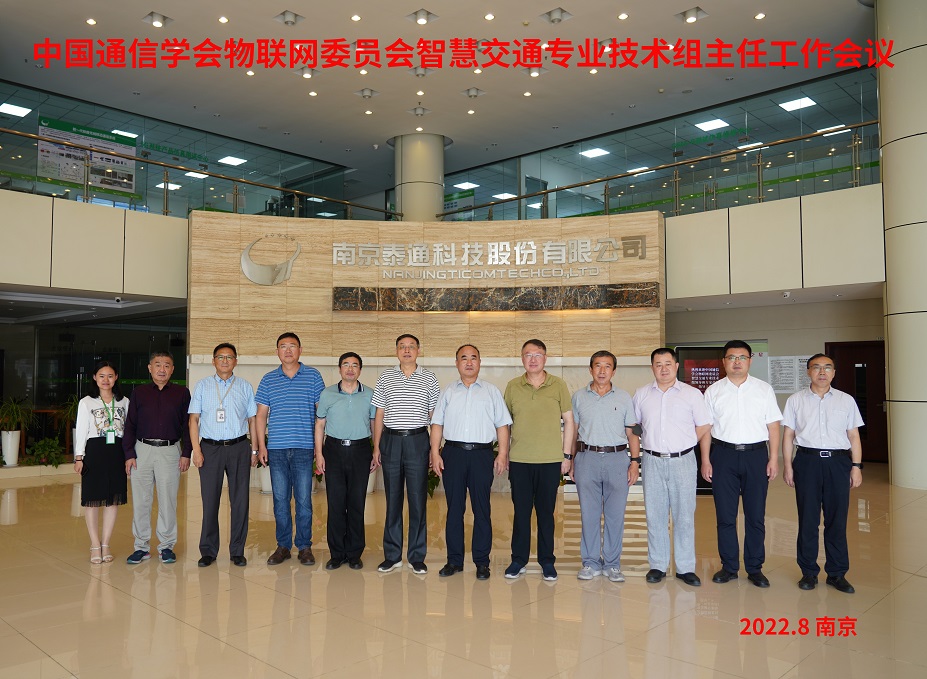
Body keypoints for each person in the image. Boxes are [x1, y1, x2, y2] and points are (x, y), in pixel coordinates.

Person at [700, 340, 782, 587]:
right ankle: (729, 567)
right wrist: (705, 460)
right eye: (732, 357)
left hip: (756, 456)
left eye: (742, 357)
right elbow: (706, 429)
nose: (737, 362)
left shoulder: (764, 389)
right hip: (723, 456)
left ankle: (755, 568)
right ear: (724, 361)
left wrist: (773, 458)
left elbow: (773, 426)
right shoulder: (713, 391)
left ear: (750, 361)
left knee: (755, 515)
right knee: (725, 516)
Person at [782, 353, 864, 593]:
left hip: (838, 463)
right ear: (808, 371)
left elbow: (853, 436)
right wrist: (788, 465)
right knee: (808, 520)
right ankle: (808, 572)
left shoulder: (846, 400)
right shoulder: (795, 400)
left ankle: (837, 574)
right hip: (806, 462)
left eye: (827, 368)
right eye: (816, 367)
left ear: (834, 373)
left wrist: (856, 466)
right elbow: (788, 435)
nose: (822, 372)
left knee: (837, 520)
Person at [430, 344, 512, 580]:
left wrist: (502, 453)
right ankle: (454, 561)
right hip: (453, 454)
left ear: (480, 362)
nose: (468, 362)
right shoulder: (448, 391)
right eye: (463, 358)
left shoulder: (491, 392)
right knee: (454, 509)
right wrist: (435, 452)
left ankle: (482, 562)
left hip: (481, 455)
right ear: (456, 363)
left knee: (482, 509)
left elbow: (502, 425)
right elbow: (437, 424)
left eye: (473, 358)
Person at [632, 348, 712, 587]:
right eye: (658, 364)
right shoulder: (642, 394)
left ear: (676, 366)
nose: (663, 368)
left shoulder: (692, 394)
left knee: (684, 516)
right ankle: (658, 565)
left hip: (683, 461)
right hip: (652, 460)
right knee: (655, 514)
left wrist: (686, 442)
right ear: (652, 368)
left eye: (668, 363)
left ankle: (685, 568)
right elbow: (634, 427)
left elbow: (704, 424)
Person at [503, 339, 575, 582]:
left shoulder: (558, 385)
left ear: (545, 358)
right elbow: (505, 424)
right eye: (528, 355)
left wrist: (566, 456)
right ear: (522, 358)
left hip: (550, 461)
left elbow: (569, 421)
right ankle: (518, 560)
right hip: (520, 461)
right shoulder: (513, 386)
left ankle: (547, 561)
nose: (533, 359)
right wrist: (504, 454)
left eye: (537, 354)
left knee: (546, 513)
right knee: (521, 513)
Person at [371, 334, 440, 574]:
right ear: (396, 351)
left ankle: (417, 556)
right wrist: (377, 446)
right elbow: (379, 414)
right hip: (390, 440)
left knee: (418, 499)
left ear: (418, 350)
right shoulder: (386, 377)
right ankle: (392, 556)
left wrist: (434, 449)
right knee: (392, 499)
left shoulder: (429, 377)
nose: (407, 350)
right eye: (402, 346)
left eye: (411, 346)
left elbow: (435, 417)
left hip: (418, 440)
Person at [256, 332, 325, 566]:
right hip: (276, 449)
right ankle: (283, 546)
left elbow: (321, 415)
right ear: (277, 351)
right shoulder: (268, 379)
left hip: (304, 448)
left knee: (304, 500)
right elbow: (261, 415)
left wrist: (318, 448)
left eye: (292, 346)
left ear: (300, 350)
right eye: (283, 346)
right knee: (280, 500)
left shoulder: (313, 376)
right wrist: (261, 446)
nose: (287, 350)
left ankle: (304, 546)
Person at [571, 350, 640, 583]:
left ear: (614, 371)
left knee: (615, 515)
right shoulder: (578, 397)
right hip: (586, 458)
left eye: (607, 366)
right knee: (588, 514)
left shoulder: (624, 397)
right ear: (590, 369)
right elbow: (573, 431)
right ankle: (590, 562)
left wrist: (634, 462)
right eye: (598, 366)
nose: (602, 371)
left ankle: (612, 564)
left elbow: (633, 432)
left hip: (617, 459)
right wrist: (571, 460)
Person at [188, 343, 258, 568]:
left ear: (236, 361)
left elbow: (252, 420)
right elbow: (193, 420)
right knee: (210, 501)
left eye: (229, 357)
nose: (225, 361)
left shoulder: (245, 386)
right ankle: (208, 550)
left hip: (239, 447)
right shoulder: (202, 386)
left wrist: (254, 450)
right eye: (221, 357)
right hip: (210, 449)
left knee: (240, 501)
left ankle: (237, 550)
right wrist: (196, 450)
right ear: (213, 361)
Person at [123, 351, 192, 564]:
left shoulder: (182, 393)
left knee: (168, 501)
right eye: (158, 364)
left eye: (167, 365)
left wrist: (186, 453)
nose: (162, 369)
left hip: (170, 451)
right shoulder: (139, 393)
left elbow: (188, 425)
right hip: (142, 450)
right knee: (141, 501)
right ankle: (141, 547)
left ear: (173, 369)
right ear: (150, 368)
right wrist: (129, 454)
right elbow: (130, 425)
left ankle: (166, 546)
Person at [315, 352, 376, 571]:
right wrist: (319, 453)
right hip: (334, 450)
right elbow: (320, 424)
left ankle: (354, 553)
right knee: (336, 503)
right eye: (346, 365)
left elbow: (374, 423)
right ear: (340, 368)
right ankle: (337, 553)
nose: (350, 369)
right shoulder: (327, 394)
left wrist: (376, 450)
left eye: (355, 365)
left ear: (360, 370)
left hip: (361, 450)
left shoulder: (369, 394)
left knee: (357, 503)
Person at [73, 360, 129, 564]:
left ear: (116, 378)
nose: (106, 380)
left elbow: (128, 430)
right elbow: (81, 430)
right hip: (94, 452)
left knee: (113, 499)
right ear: (95, 378)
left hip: (117, 452)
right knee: (93, 500)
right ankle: (95, 545)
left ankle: (106, 543)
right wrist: (79, 457)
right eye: (102, 376)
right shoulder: (87, 402)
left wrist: (129, 455)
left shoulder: (124, 401)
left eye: (110, 376)